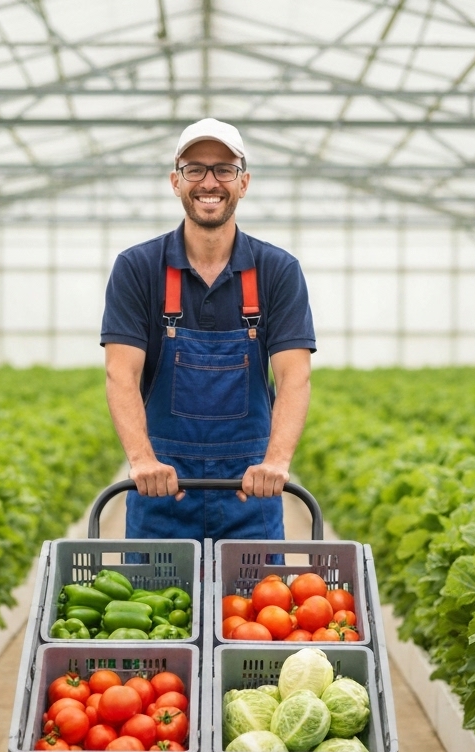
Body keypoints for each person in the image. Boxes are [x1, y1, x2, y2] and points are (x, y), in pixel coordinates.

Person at [101, 117, 316, 544]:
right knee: (155, 607)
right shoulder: (138, 268)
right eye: (195, 169)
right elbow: (120, 373)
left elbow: (295, 376)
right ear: (176, 181)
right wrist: (142, 461)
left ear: (244, 182)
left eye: (224, 169)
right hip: (162, 495)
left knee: (255, 610)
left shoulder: (277, 270)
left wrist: (275, 463)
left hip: (249, 497)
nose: (209, 182)